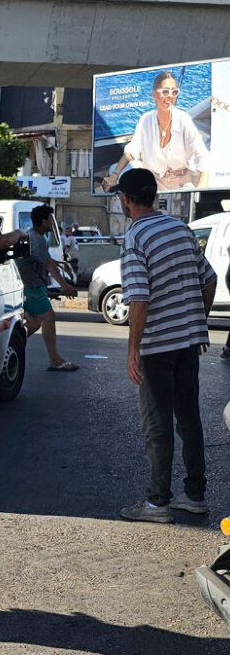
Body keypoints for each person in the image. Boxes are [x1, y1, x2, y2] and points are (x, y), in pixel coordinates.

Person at [114, 168, 218, 523]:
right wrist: (197, 322)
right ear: (154, 196)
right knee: (189, 418)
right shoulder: (180, 229)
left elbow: (139, 298)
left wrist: (133, 349)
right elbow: (210, 279)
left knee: (156, 424)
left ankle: (157, 503)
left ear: (125, 200)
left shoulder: (135, 238)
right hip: (188, 343)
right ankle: (195, 496)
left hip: (158, 347)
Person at [102, 71, 212, 193]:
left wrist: (198, 194)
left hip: (183, 185)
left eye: (174, 92)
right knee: (123, 174)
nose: (170, 96)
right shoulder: (146, 120)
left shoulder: (183, 120)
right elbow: (131, 150)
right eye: (165, 91)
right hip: (154, 184)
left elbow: (203, 160)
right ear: (154, 94)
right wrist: (115, 175)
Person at [18, 204, 78, 371]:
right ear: (43, 221)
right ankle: (54, 359)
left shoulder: (35, 237)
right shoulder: (36, 238)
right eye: (51, 220)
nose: (53, 223)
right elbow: (48, 264)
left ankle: (9, 347)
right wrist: (65, 286)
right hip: (31, 287)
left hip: (33, 286)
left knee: (35, 322)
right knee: (48, 317)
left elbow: (44, 261)